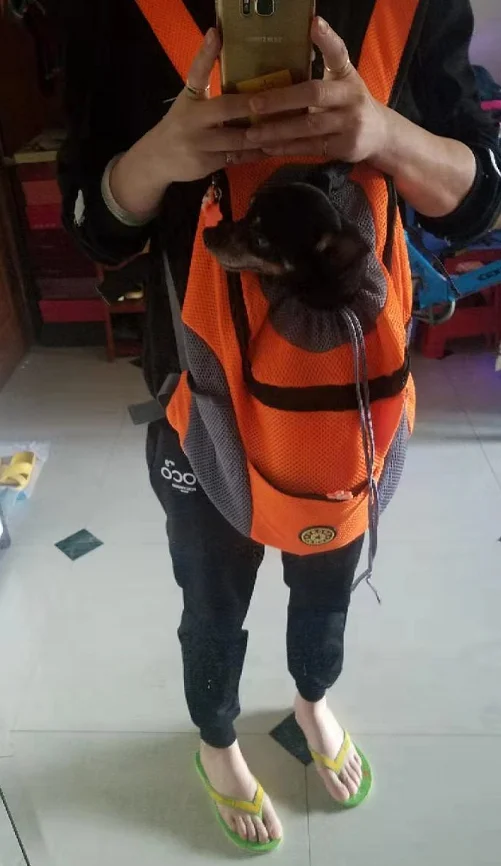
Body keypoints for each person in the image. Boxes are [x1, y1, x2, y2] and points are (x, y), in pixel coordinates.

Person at [59, 0, 501, 851]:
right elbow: (92, 224)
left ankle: (311, 694)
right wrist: (161, 155)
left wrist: (385, 134)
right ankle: (216, 736)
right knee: (210, 589)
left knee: (327, 576)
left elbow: (477, 201)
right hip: (197, 398)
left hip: (350, 397)